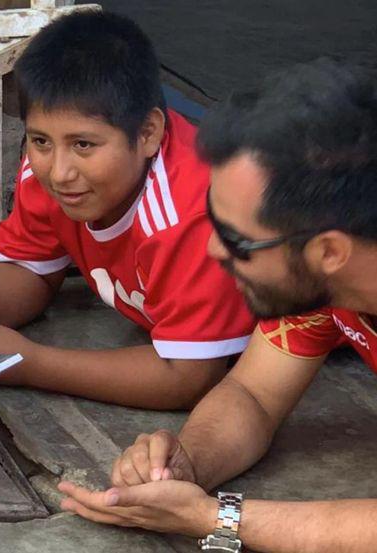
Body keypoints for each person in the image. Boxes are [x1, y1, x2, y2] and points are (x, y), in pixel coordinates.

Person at [58, 58, 377, 552]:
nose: (212, 250)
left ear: (329, 252)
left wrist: (214, 518)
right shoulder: (324, 278)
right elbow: (254, 395)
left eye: (236, 238)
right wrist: (185, 465)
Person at [0, 11, 254, 409]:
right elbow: (27, 263)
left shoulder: (192, 214)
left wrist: (31, 362)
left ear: (147, 134)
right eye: (40, 140)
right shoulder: (48, 170)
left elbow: (187, 377)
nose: (59, 171)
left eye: (84, 145)